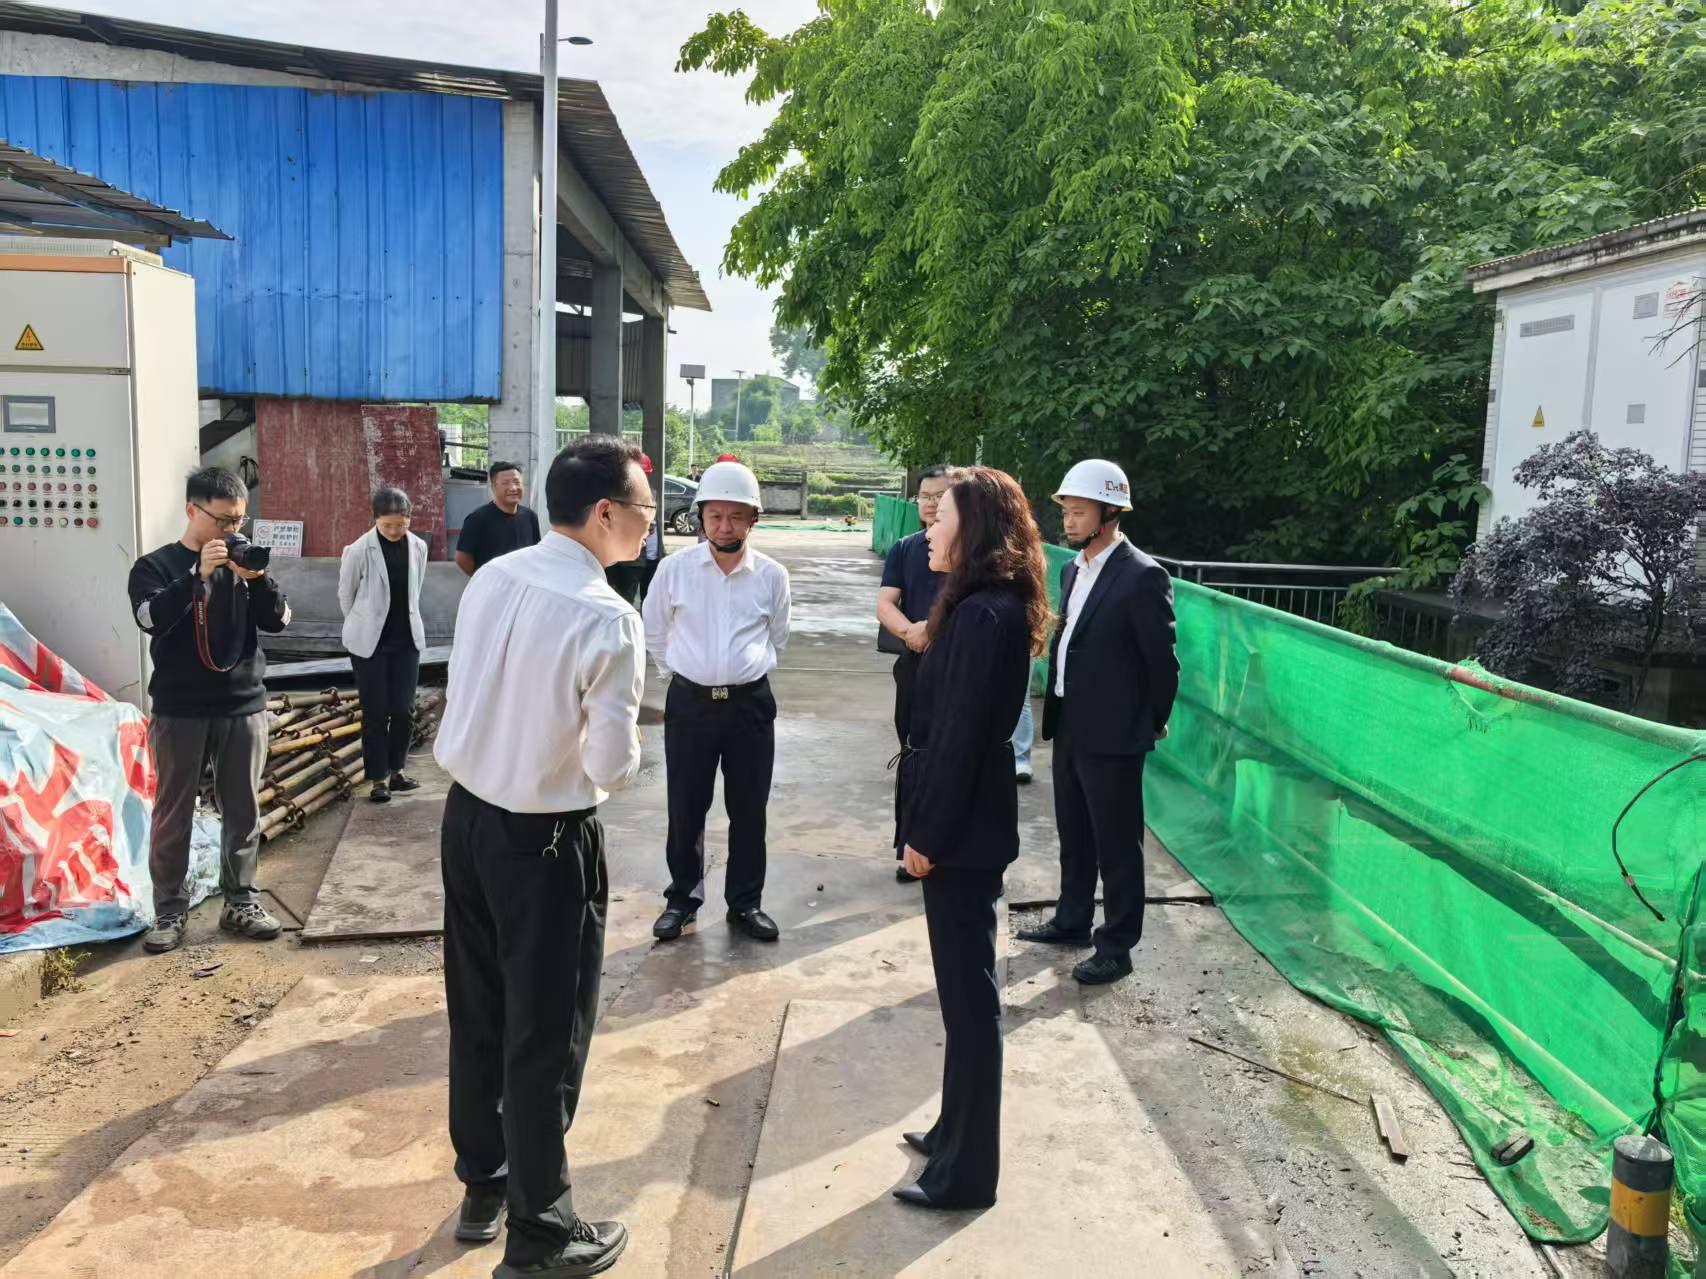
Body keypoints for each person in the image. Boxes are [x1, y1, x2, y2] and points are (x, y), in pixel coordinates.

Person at [433, 435, 653, 1277]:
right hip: (546, 837)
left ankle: (484, 1183)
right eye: (642, 511)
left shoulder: (495, 576)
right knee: (545, 1034)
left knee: (478, 1010)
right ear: (603, 513)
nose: (649, 525)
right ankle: (542, 1232)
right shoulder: (607, 615)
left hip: (467, 818)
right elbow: (611, 766)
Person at [893, 466, 1050, 1211]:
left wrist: (926, 834)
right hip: (961, 821)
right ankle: (952, 1131)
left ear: (975, 530)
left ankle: (967, 1174)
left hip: (963, 830)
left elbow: (959, 738)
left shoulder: (988, 615)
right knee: (960, 1000)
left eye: (941, 518)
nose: (928, 528)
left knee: (971, 1001)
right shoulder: (974, 604)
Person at [1016, 459, 1179, 986]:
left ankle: (1116, 947)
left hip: (1114, 733)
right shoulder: (1072, 569)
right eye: (1066, 510)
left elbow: (1162, 663)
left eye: (1079, 511)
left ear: (1109, 514)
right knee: (1075, 832)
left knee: (1117, 845)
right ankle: (1071, 921)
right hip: (1070, 724)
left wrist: (1151, 721)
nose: (1068, 520)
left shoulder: (1142, 576)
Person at [128, 466, 291, 954]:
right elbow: (148, 618)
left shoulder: (246, 562)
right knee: (174, 811)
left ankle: (241, 901)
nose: (232, 530)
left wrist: (258, 580)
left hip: (243, 706)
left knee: (242, 809)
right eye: (222, 520)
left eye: (239, 520)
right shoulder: (155, 566)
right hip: (179, 709)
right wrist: (195, 576)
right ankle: (169, 910)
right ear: (191, 510)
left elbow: (280, 621)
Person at [642, 460, 791, 944]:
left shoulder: (772, 575)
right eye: (715, 516)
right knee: (686, 806)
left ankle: (745, 904)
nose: (725, 526)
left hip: (750, 707)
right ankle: (682, 901)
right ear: (701, 517)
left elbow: (778, 635)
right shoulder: (675, 570)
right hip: (691, 706)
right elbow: (654, 630)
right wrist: (684, 675)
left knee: (749, 809)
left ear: (753, 519)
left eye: (736, 516)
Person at [877, 466, 951, 882]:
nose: (931, 504)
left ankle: (950, 847)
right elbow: (885, 602)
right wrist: (910, 632)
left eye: (940, 496)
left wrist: (933, 631)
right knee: (912, 754)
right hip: (914, 667)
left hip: (957, 670)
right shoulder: (906, 549)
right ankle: (910, 846)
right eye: (925, 496)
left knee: (953, 755)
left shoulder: (971, 551)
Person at [338, 486, 427, 803]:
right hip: (369, 644)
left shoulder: (418, 546)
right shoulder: (359, 550)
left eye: (400, 524)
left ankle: (398, 771)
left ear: (409, 519)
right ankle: (378, 779)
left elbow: (415, 591)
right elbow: (346, 596)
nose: (393, 530)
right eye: (387, 525)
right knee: (375, 712)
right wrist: (365, 623)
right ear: (375, 519)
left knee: (404, 709)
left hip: (406, 640)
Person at [455, 460, 541, 575]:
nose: (513, 488)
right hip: (493, 583)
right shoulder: (477, 519)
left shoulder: (530, 517)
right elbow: (462, 558)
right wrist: (482, 578)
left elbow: (535, 552)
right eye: (506, 483)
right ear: (494, 487)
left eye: (517, 482)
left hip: (524, 583)